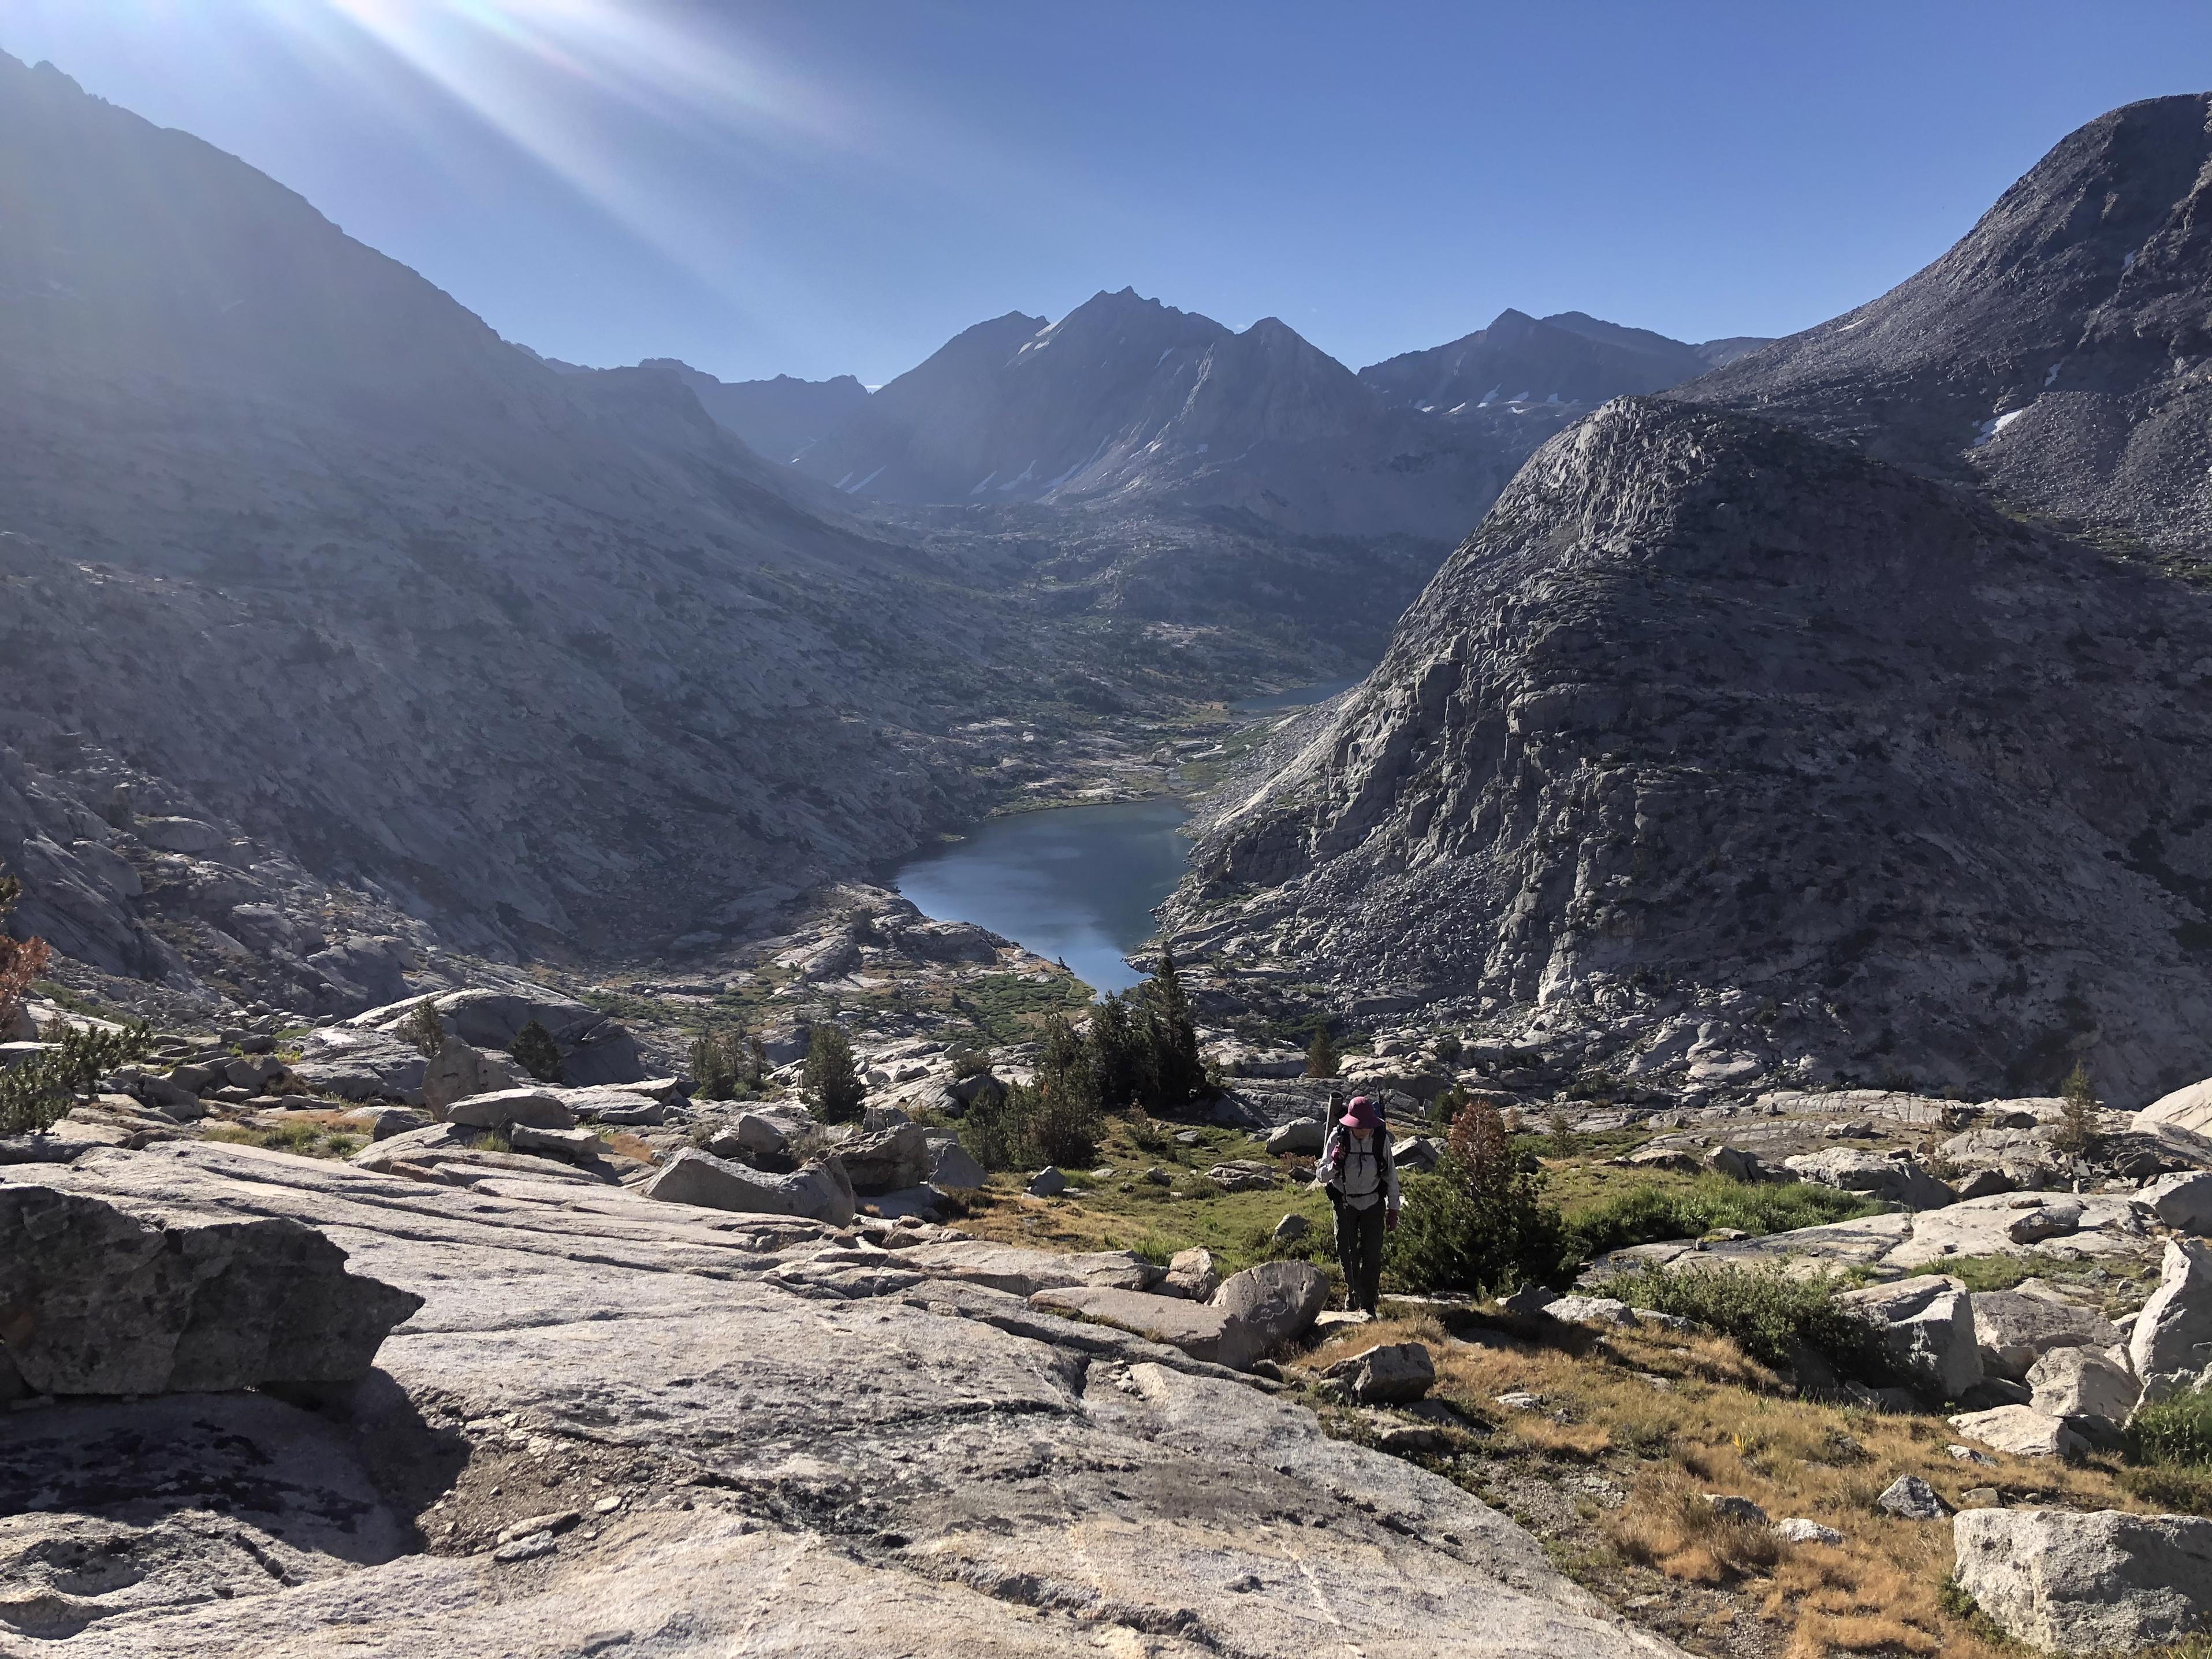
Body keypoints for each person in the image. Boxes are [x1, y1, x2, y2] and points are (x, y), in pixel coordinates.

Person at [1316, 1094, 1399, 1315]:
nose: (1362, 1130)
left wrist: (1394, 1209)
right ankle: (1354, 1296)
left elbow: (1391, 1176)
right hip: (1345, 1203)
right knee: (1347, 1253)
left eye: (1366, 1126)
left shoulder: (1381, 1139)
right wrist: (1334, 1164)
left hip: (1373, 1203)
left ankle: (1368, 1303)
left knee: (1372, 1255)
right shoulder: (1337, 1137)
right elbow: (1321, 1176)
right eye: (1359, 1126)